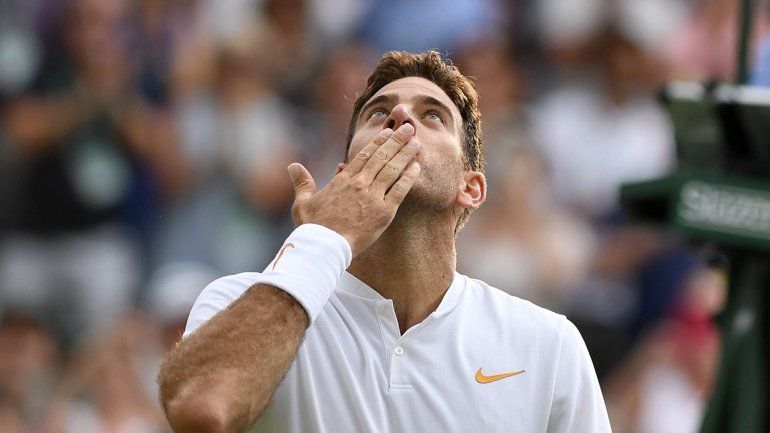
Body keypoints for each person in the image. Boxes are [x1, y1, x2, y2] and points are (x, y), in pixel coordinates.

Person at [157, 51, 612, 433]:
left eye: (432, 115)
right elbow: (199, 410)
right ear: (344, 176)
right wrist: (325, 235)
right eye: (378, 113)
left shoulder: (548, 344)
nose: (400, 116)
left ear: (471, 188)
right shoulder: (238, 300)